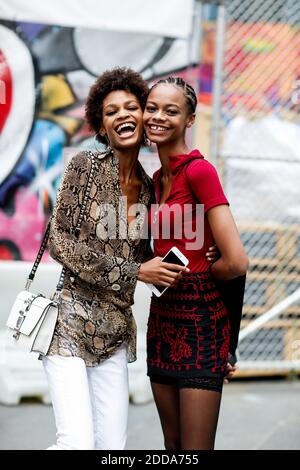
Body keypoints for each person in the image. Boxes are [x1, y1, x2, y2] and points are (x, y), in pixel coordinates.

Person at [43, 68, 186, 450]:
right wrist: (135, 271)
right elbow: (60, 241)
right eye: (111, 111)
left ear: (143, 117)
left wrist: (204, 250)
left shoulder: (151, 190)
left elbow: (153, 256)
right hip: (69, 325)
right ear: (102, 127)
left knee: (111, 448)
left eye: (131, 107)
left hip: (115, 333)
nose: (123, 115)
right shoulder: (84, 168)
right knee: (75, 442)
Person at [144, 76, 248, 450]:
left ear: (189, 120)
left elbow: (236, 260)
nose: (157, 117)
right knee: (172, 445)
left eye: (171, 111)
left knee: (195, 449)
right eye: (152, 108)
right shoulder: (155, 180)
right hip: (163, 317)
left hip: (201, 321)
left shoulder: (199, 172)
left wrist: (206, 270)